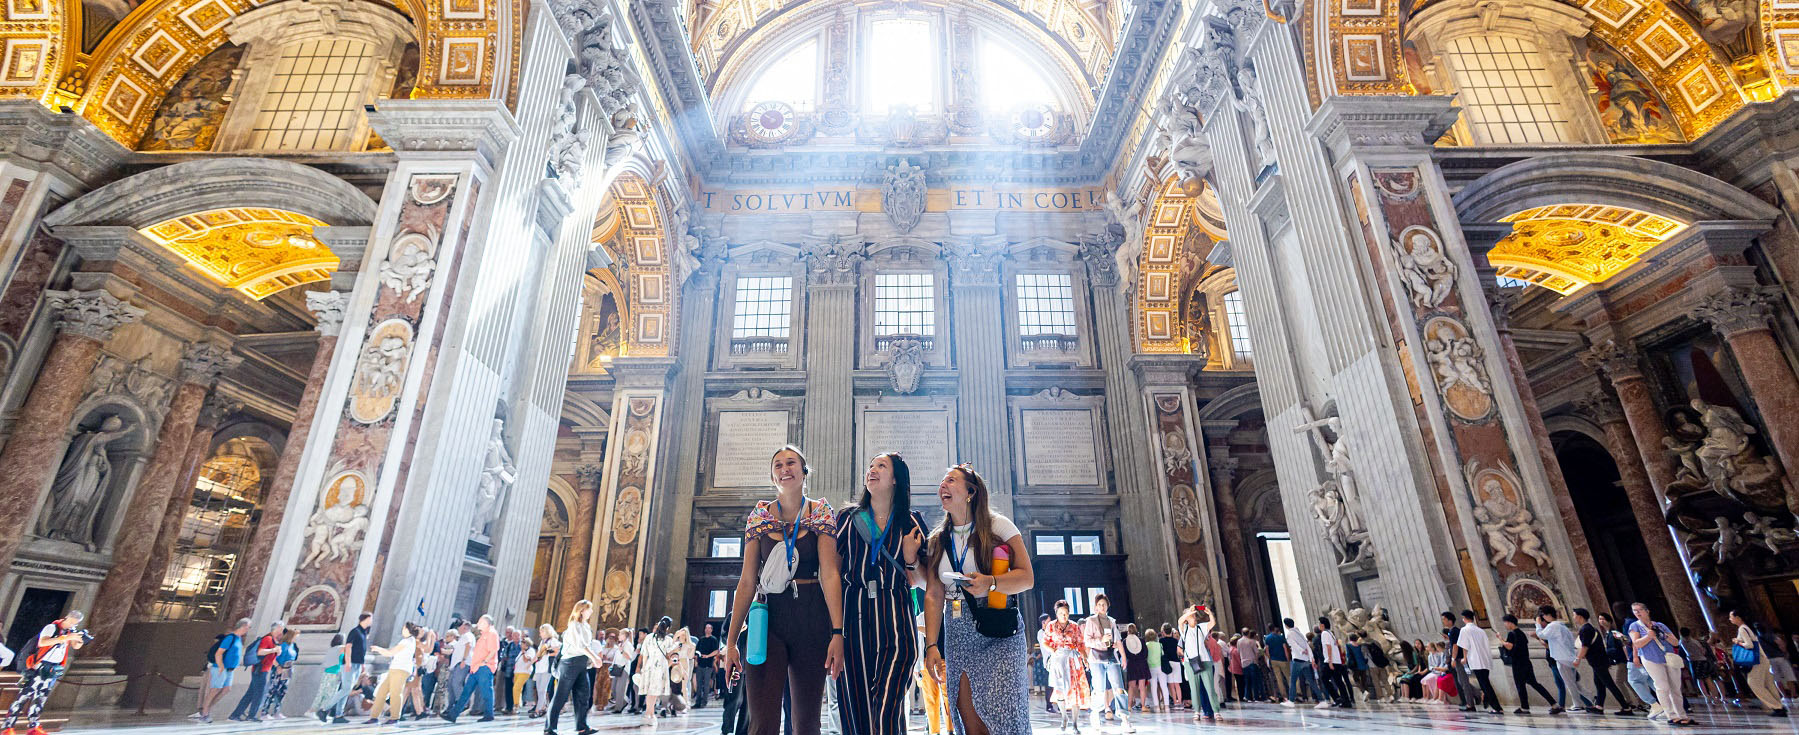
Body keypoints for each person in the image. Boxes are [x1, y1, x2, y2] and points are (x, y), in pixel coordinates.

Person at [722, 446, 846, 735]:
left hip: (812, 619)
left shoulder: (821, 512)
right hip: (767, 620)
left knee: (806, 723)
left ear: (804, 472)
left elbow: (830, 574)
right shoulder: (760, 516)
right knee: (762, 722)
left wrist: (837, 633)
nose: (784, 468)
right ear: (772, 476)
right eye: (778, 465)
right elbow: (746, 582)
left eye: (791, 463)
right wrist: (730, 643)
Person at [920, 464, 1035, 735]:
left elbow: (1027, 578)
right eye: (942, 482)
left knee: (1004, 715)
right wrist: (932, 645)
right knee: (969, 717)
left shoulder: (999, 526)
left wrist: (991, 582)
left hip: (998, 630)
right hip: (958, 631)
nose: (943, 486)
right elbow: (934, 594)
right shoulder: (938, 539)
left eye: (951, 481)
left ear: (971, 492)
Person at [833, 452, 927, 735]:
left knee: (886, 712)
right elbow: (833, 577)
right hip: (854, 618)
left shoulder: (912, 522)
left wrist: (911, 559)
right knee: (856, 715)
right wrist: (834, 630)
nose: (872, 470)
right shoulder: (848, 519)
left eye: (881, 466)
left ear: (896, 478)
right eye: (870, 466)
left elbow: (924, 580)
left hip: (896, 619)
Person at [2, 610, 86, 735]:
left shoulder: (70, 631)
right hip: (39, 667)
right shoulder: (52, 627)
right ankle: (8, 726)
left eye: (75, 624)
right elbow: (43, 642)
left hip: (53, 668)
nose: (72, 625)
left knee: (41, 697)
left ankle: (33, 726)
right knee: (24, 695)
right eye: (71, 622)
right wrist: (65, 637)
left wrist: (80, 639)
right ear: (66, 618)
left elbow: (75, 646)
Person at [1627, 602, 1691, 725]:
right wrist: (1649, 636)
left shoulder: (1660, 625)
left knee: (1675, 687)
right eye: (1635, 611)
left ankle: (1682, 715)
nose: (1638, 613)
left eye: (1640, 610)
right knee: (1662, 686)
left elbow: (1676, 642)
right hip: (1650, 658)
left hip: (1668, 657)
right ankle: (1671, 715)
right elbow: (1637, 643)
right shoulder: (1634, 626)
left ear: (1647, 611)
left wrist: (1664, 635)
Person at [545, 600, 596, 735]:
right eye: (589, 609)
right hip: (569, 663)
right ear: (581, 610)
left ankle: (582, 726)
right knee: (560, 696)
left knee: (583, 695)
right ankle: (550, 728)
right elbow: (580, 645)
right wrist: (595, 657)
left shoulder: (586, 626)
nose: (591, 611)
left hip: (581, 663)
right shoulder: (574, 625)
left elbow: (587, 645)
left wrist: (590, 660)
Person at [1083, 594, 1133, 731]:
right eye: (1099, 604)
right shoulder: (1091, 621)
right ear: (1095, 607)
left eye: (1104, 604)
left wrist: (1123, 656)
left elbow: (1117, 640)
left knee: (1119, 687)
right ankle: (1095, 713)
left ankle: (1124, 718)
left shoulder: (1112, 621)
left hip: (1111, 656)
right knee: (1099, 688)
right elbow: (1087, 640)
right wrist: (1101, 640)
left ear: (1107, 606)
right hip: (1096, 658)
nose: (1102, 607)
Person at [1041, 600, 1089, 733]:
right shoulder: (1051, 626)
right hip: (1058, 660)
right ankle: (1064, 717)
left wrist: (1085, 658)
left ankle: (1075, 724)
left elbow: (1080, 644)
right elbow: (1045, 642)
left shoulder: (1074, 626)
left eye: (1066, 613)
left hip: (1072, 661)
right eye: (1061, 613)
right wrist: (1054, 651)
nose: (1064, 615)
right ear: (1056, 613)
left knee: (1075, 691)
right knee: (1060, 690)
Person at [1729, 610, 1788, 717]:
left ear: (1738, 617)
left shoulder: (1742, 629)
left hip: (1756, 661)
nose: (1730, 619)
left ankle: (1776, 706)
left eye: (1731, 617)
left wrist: (1737, 642)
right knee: (1769, 683)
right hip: (1763, 658)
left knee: (1754, 684)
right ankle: (1779, 706)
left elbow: (1749, 645)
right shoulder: (1747, 627)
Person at [443, 614, 499, 723]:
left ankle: (489, 714)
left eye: (480, 622)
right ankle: (453, 715)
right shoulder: (483, 635)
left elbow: (493, 650)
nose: (477, 624)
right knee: (466, 691)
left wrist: (485, 662)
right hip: (476, 668)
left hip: (484, 668)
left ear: (487, 623)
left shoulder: (492, 633)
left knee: (487, 691)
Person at [320, 612, 374, 723]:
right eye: (371, 619)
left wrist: (362, 664)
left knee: (346, 689)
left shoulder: (364, 633)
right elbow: (348, 647)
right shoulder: (355, 631)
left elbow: (361, 650)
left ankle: (338, 716)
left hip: (357, 664)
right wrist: (348, 661)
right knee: (346, 689)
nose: (371, 621)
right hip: (350, 663)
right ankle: (324, 709)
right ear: (366, 619)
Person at [1500, 614, 1557, 714]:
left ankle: (1525, 707)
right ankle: (1553, 703)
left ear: (1509, 622)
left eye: (1505, 622)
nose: (1505, 625)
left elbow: (1510, 647)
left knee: (1520, 685)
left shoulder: (1512, 634)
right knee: (1535, 684)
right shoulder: (1521, 633)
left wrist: (1500, 639)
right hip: (1526, 662)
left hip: (1518, 663)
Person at [1535, 606, 1589, 713]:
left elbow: (1541, 634)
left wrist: (1537, 624)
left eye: (1544, 615)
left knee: (1570, 683)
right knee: (1573, 682)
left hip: (1562, 657)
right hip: (1567, 656)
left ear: (1548, 615)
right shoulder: (1562, 625)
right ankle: (1590, 699)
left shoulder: (1554, 625)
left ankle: (1578, 704)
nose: (1543, 618)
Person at [194, 617, 247, 723]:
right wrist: (221, 666)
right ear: (243, 626)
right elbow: (219, 653)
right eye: (247, 627)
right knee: (215, 690)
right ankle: (204, 713)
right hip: (221, 668)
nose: (248, 629)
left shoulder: (238, 639)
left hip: (230, 669)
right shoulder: (230, 638)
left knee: (226, 689)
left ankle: (206, 708)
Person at [230, 620, 285, 722]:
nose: (282, 631)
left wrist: (278, 666)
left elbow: (269, 658)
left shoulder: (273, 640)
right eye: (281, 628)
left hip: (262, 670)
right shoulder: (267, 639)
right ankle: (251, 715)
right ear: (276, 628)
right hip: (260, 670)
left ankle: (235, 714)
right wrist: (274, 650)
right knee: (259, 693)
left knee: (250, 694)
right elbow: (260, 652)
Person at [367, 622, 422, 725]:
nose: (402, 630)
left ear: (407, 629)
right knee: (381, 693)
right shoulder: (408, 641)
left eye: (403, 628)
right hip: (394, 669)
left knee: (396, 693)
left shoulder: (408, 641)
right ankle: (374, 717)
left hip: (400, 669)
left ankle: (395, 717)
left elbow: (390, 653)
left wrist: (378, 649)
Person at [1455, 610, 1501, 714]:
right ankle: (1490, 701)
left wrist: (1464, 658)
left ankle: (1497, 707)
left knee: (1485, 684)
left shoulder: (1465, 630)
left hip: (1475, 660)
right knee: (1485, 683)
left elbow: (1464, 645)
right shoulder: (1481, 630)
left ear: (1464, 618)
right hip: (1485, 659)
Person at [1180, 606, 1222, 719]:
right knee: (1194, 688)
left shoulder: (1201, 627)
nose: (1193, 616)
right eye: (1191, 615)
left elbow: (1212, 623)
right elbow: (1180, 621)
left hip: (1205, 660)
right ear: (1186, 618)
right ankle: (1197, 711)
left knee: (1210, 688)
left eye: (1194, 614)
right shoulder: (1184, 629)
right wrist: (1188, 612)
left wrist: (1210, 613)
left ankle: (1216, 711)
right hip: (1190, 662)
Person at [638, 617, 674, 722]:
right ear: (668, 628)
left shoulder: (649, 637)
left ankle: (650, 713)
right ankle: (649, 713)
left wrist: (643, 668)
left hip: (649, 665)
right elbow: (670, 655)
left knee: (651, 692)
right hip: (660, 666)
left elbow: (644, 654)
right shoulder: (668, 640)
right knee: (653, 692)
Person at [261, 628, 301, 719]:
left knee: (282, 691)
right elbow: (272, 657)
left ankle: (277, 711)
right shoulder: (282, 645)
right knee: (273, 690)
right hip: (279, 668)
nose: (297, 638)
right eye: (296, 636)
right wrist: (278, 666)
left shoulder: (293, 645)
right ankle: (265, 712)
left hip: (288, 669)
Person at [1281, 617, 1322, 706]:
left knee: (1293, 680)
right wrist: (1311, 658)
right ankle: (1321, 700)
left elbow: (1294, 645)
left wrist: (1301, 651)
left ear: (1286, 625)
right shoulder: (1299, 632)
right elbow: (1307, 645)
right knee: (1311, 681)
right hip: (1306, 660)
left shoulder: (1289, 634)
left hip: (1298, 660)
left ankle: (1291, 701)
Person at [1316, 617, 1352, 708]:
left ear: (1322, 625)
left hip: (1331, 661)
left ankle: (1337, 698)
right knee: (1339, 681)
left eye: (1319, 624)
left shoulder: (1324, 633)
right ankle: (1345, 700)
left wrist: (1330, 662)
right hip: (1337, 660)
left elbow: (1329, 647)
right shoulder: (1331, 633)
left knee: (1324, 678)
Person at [695, 622, 721, 708]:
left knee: (706, 684)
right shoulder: (701, 639)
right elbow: (697, 650)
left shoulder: (713, 639)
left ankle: (704, 702)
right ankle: (697, 701)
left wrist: (707, 656)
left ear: (711, 630)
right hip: (700, 665)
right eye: (706, 628)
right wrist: (696, 658)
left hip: (708, 665)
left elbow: (716, 651)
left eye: (709, 628)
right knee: (698, 684)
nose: (707, 629)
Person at [1263, 624, 1291, 704]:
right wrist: (1287, 658)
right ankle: (1292, 694)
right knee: (1288, 677)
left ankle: (1284, 695)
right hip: (1282, 659)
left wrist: (1270, 658)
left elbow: (1267, 650)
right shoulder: (1280, 637)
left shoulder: (1267, 638)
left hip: (1274, 660)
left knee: (1279, 679)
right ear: (1274, 629)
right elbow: (1285, 648)